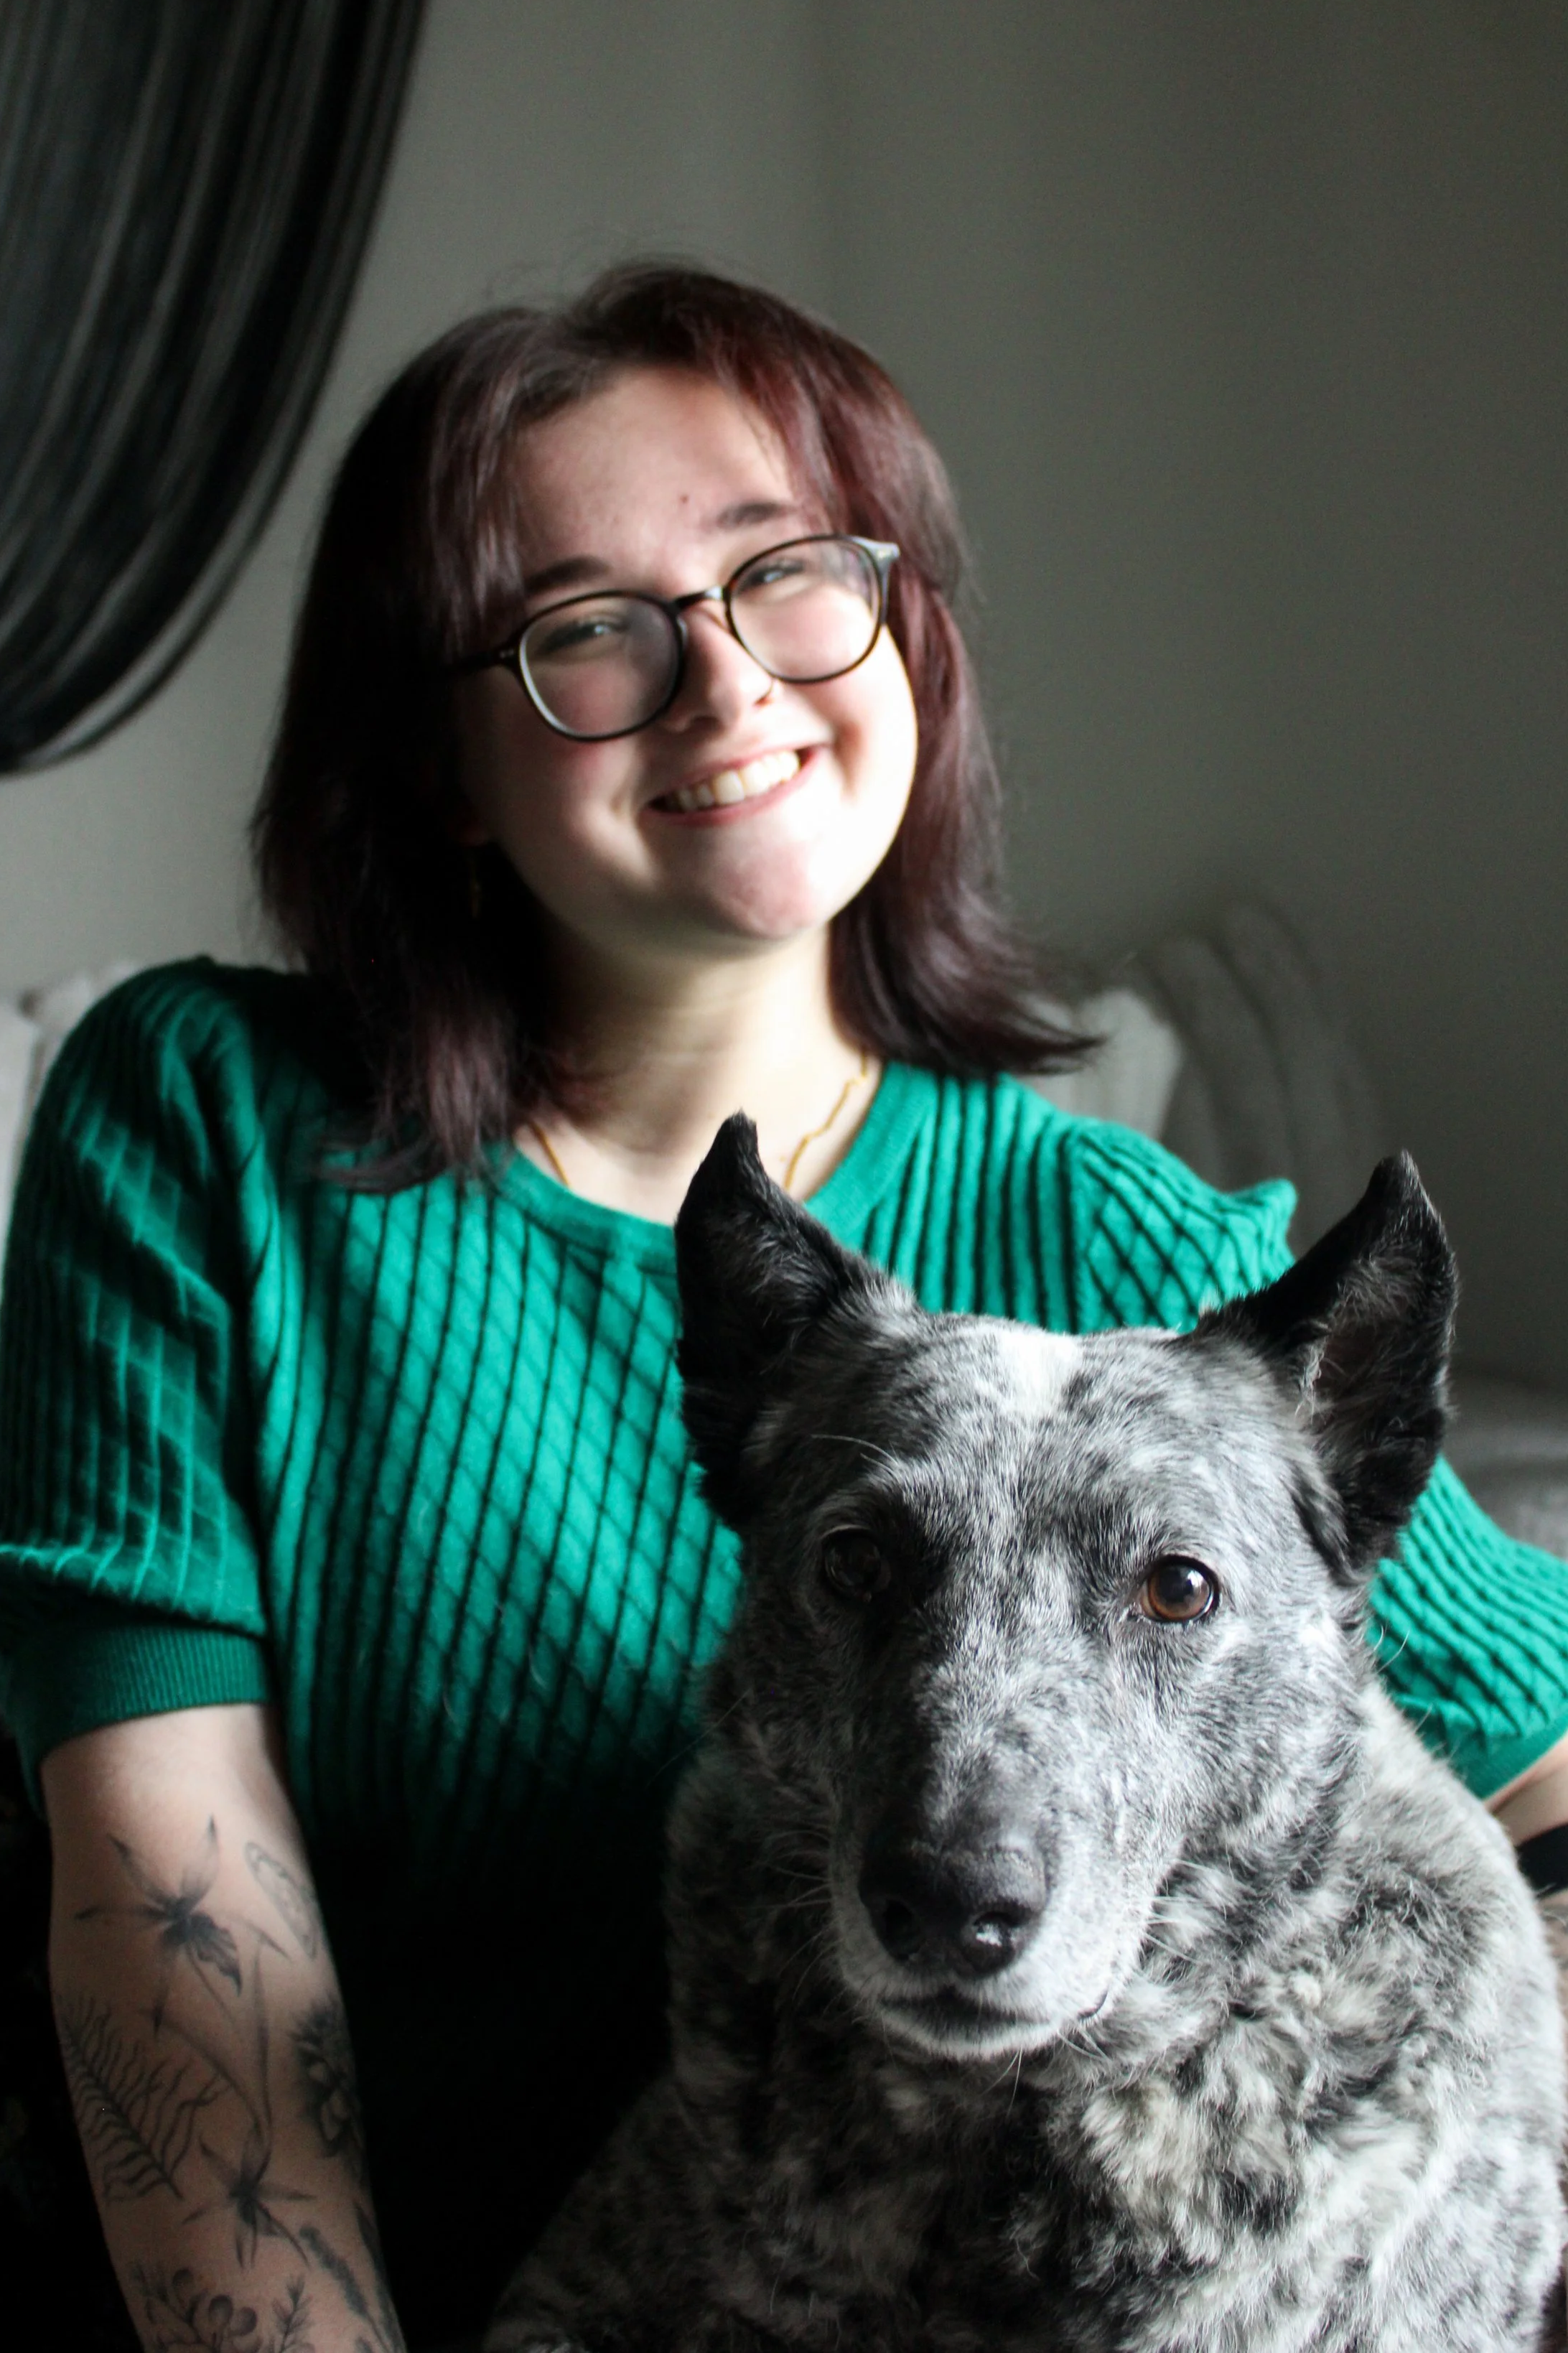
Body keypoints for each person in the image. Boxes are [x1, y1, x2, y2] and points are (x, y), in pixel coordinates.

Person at [2, 264, 1566, 2353]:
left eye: (790, 578)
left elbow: (1540, 1760)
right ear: (446, 756)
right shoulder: (200, 1120)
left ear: (902, 634)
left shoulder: (1127, 1253)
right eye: (588, 630)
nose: (725, 685)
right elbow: (171, 1896)